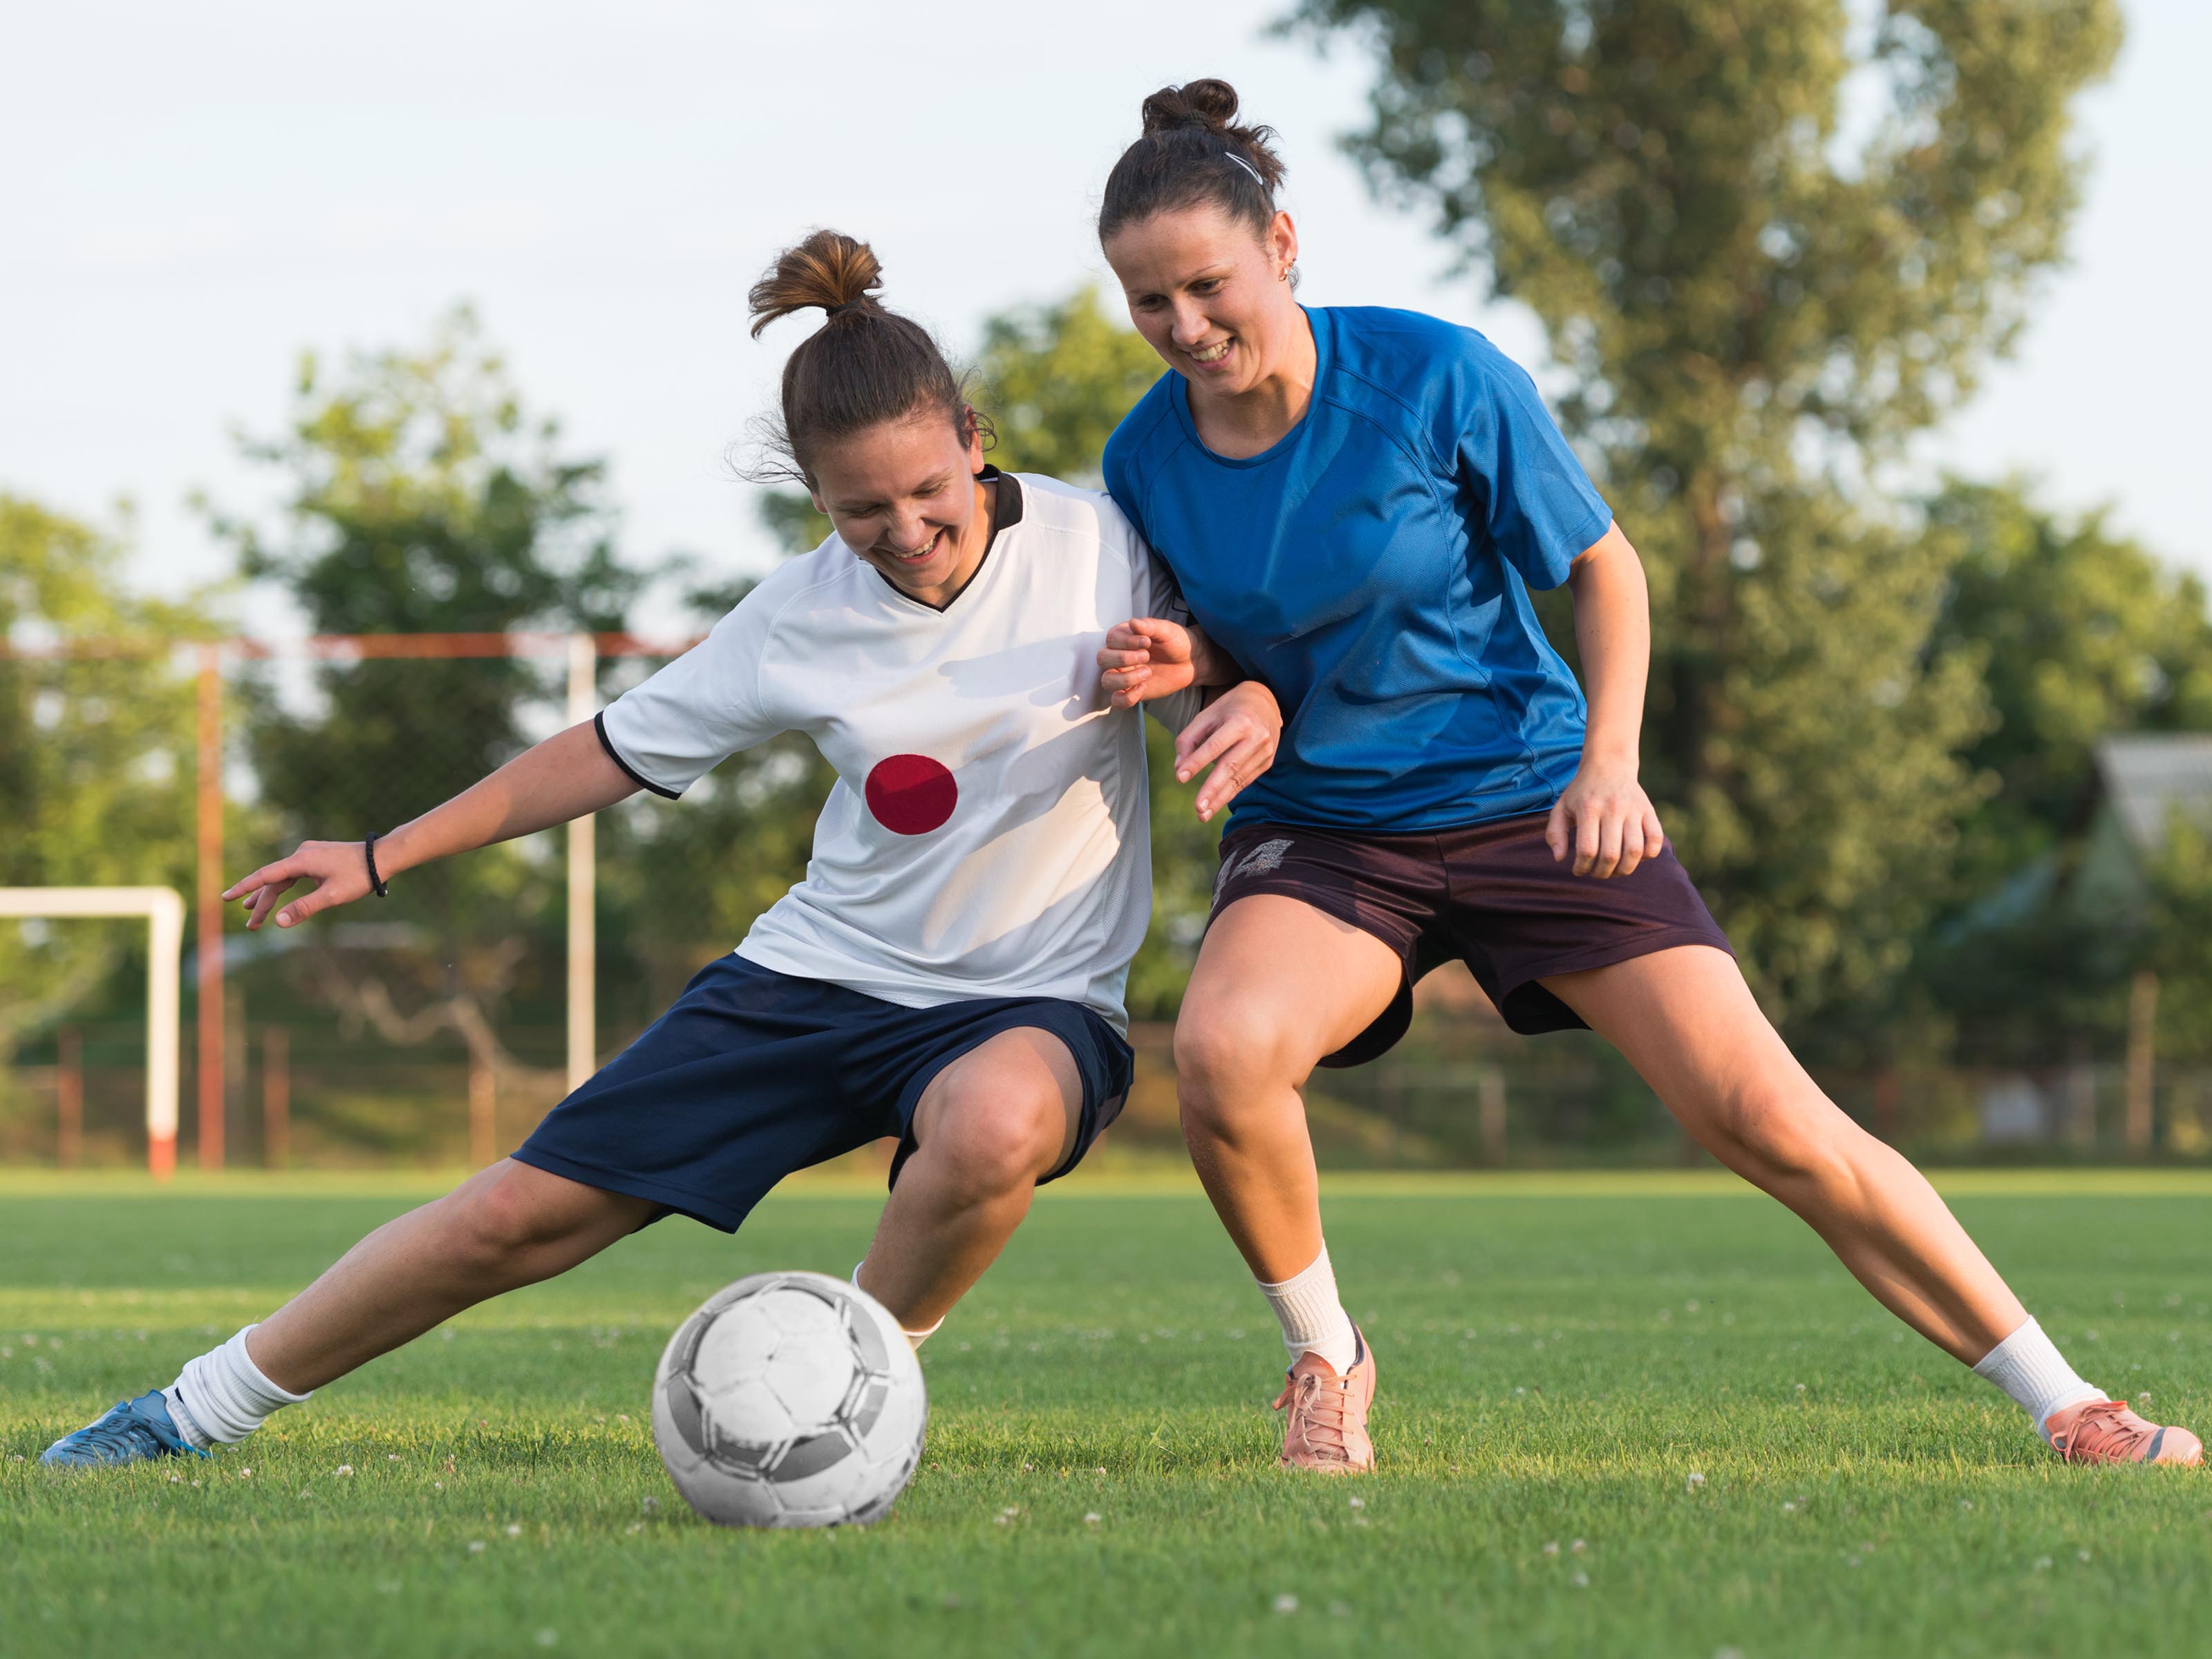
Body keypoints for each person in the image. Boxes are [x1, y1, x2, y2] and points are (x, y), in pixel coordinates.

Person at [1091, 79, 2202, 1475]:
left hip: (1531, 797)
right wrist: (1201, 665)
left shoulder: (1437, 378)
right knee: (1221, 1053)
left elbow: (1603, 569)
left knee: (1767, 1119)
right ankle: (1328, 1360)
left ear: (1284, 247)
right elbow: (1223, 624)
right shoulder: (1143, 454)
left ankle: (2069, 1403)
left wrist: (1609, 764)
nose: (1184, 329)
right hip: (1328, 832)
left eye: (1206, 287)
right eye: (1148, 304)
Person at [42, 229, 1280, 1468]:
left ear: (971, 436)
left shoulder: (1104, 543)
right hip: (817, 979)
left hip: (1032, 999)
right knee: (513, 1218)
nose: (905, 530)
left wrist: (1219, 681)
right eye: (860, 510)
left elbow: (1246, 662)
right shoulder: (796, 618)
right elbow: (603, 751)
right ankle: (188, 1412)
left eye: (927, 494)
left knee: (994, 1126)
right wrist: (381, 854)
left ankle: (846, 1394)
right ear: (813, 498)